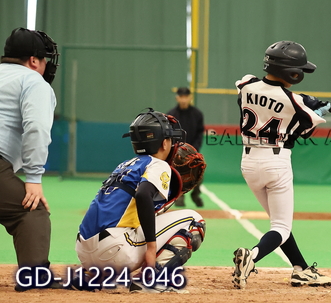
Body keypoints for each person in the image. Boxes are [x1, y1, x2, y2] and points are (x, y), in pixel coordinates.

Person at [232, 41, 331, 289]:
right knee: (281, 227)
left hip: (248, 163)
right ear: (292, 73)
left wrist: (304, 101)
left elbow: (256, 89)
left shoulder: (246, 85)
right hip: (275, 163)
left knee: (280, 223)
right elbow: (304, 130)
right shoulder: (294, 102)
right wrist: (316, 107)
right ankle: (252, 257)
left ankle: (301, 269)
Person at [74, 108, 206, 293]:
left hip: (85, 252)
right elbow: (143, 195)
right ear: (164, 143)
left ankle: (91, 276)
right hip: (114, 251)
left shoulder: (126, 165)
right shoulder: (158, 164)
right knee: (194, 221)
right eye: (170, 138)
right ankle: (152, 280)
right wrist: (151, 247)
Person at [0, 28, 60, 291]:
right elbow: (36, 127)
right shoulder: (34, 81)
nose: (47, 64)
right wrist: (33, 177)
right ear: (34, 60)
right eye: (45, 58)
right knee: (31, 211)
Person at [168, 87, 205, 208]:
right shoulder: (171, 115)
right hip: (175, 152)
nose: (183, 100)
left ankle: (195, 195)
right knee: (176, 175)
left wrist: (194, 149)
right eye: (181, 97)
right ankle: (179, 197)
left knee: (198, 173)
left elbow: (199, 133)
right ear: (177, 98)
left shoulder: (197, 114)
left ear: (190, 98)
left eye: (186, 97)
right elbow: (169, 134)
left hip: (193, 152)